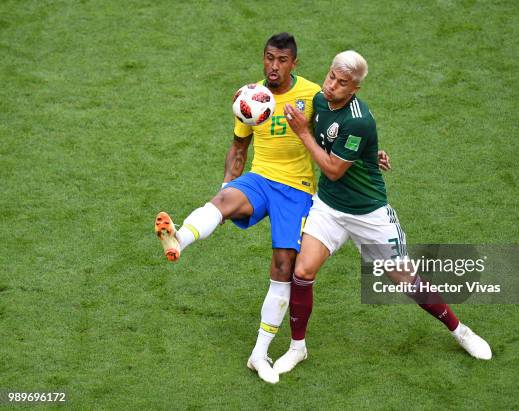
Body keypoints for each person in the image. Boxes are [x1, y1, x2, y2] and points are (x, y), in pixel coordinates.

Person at [274, 50, 492, 375]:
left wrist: (304, 134)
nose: (332, 85)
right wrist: (369, 154)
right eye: (331, 76)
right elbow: (318, 128)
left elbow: (333, 169)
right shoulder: (320, 101)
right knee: (302, 273)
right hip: (330, 208)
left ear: (355, 90)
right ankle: (297, 348)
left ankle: (460, 331)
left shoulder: (359, 120)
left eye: (342, 82)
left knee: (405, 279)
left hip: (368, 213)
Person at [154, 33, 321, 384]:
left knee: (282, 267)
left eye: (281, 60)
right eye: (268, 58)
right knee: (223, 200)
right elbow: (238, 147)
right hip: (261, 178)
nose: (273, 66)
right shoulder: (250, 97)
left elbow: (335, 128)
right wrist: (228, 183)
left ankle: (259, 354)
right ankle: (178, 239)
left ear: (294, 64)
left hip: (297, 191)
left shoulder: (312, 95)